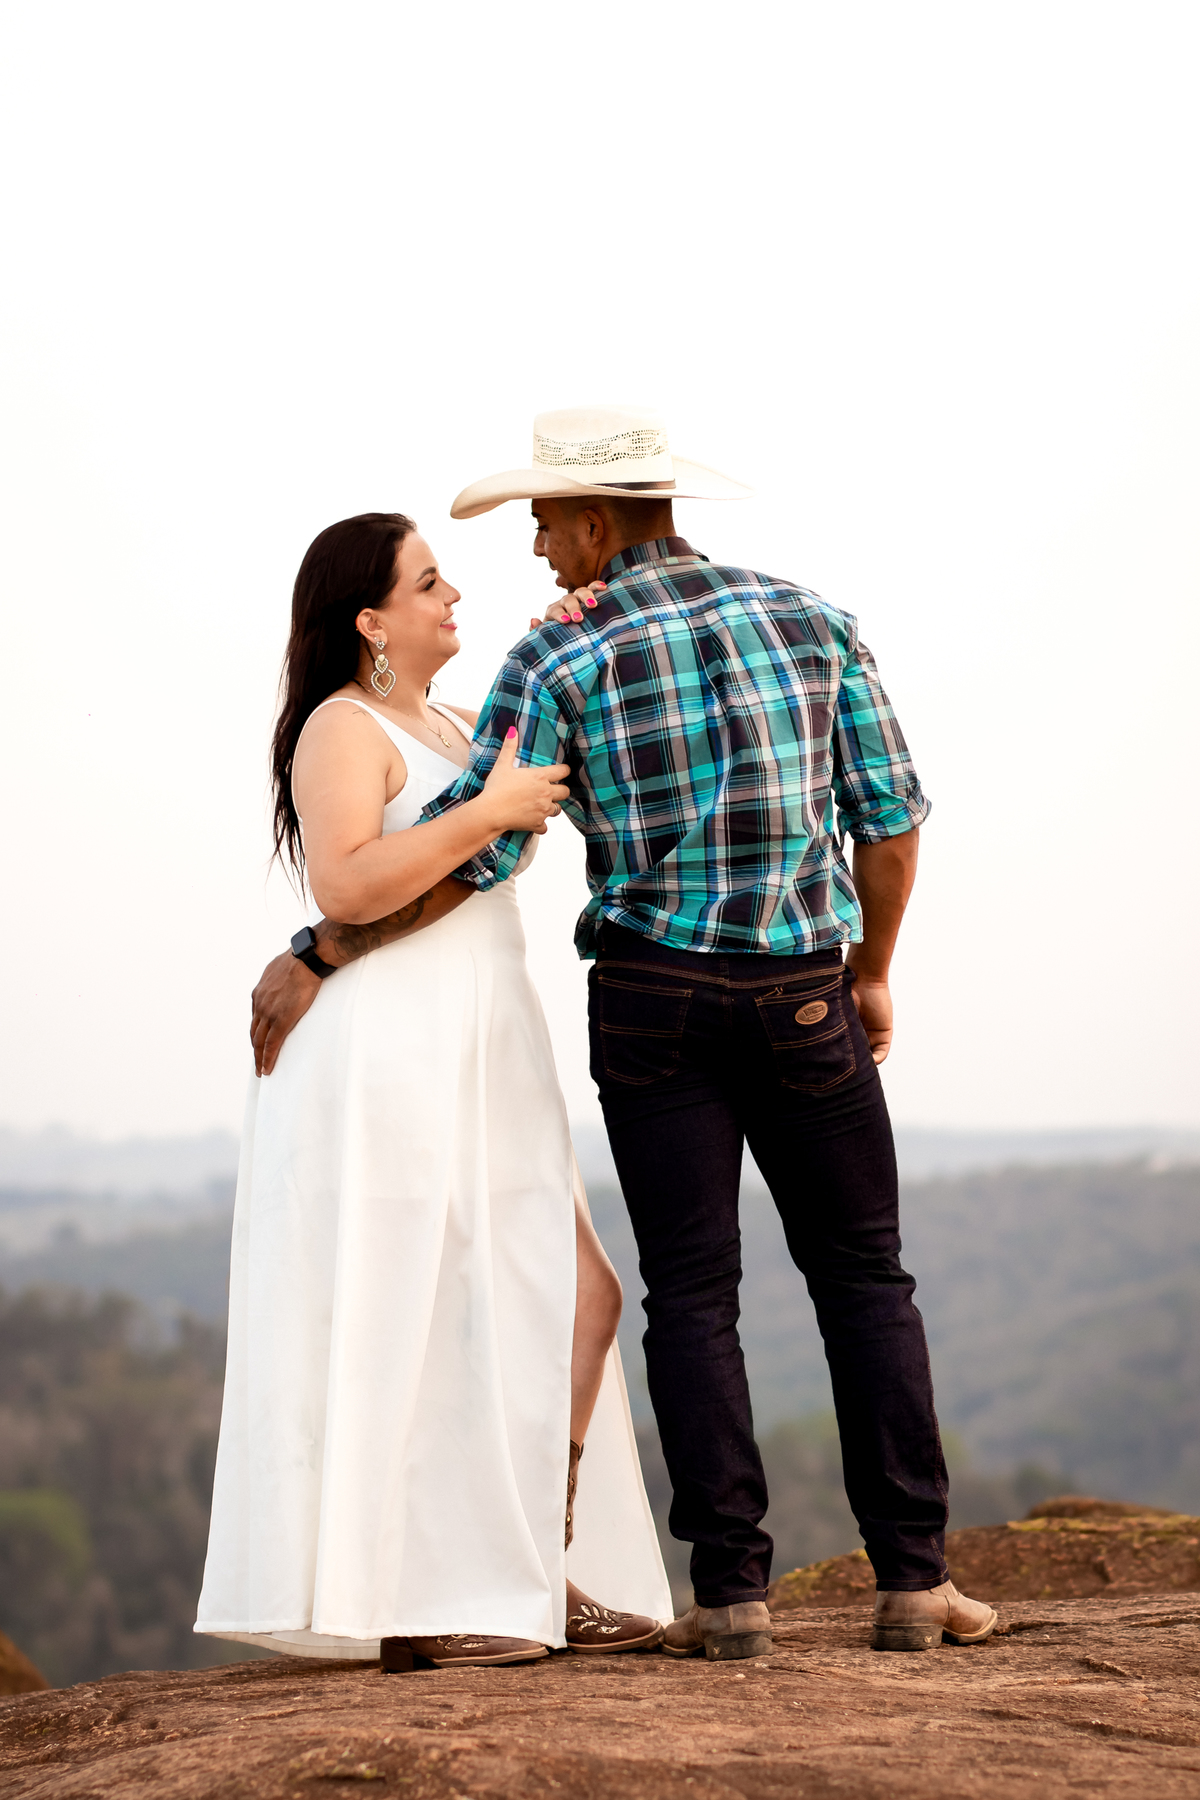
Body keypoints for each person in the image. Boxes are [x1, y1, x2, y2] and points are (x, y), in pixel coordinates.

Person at [250, 408, 997, 1662]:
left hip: (653, 1002)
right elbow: (891, 818)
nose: (539, 550)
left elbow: (482, 857)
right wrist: (871, 971)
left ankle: (734, 1597)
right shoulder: (812, 618)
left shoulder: (555, 655)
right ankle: (915, 1584)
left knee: (692, 1294)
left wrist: (324, 949)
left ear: (597, 522)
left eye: (547, 523)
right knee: (866, 1279)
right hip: (805, 987)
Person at [195, 510, 671, 1671]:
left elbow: (498, 841)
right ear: (371, 621)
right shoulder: (340, 727)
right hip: (389, 1042)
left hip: (488, 1031)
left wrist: (584, 627)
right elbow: (348, 882)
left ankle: (528, 1570)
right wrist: (487, 812)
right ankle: (425, 1600)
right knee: (412, 1308)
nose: (454, 594)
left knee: (581, 1296)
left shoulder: (459, 723)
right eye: (427, 581)